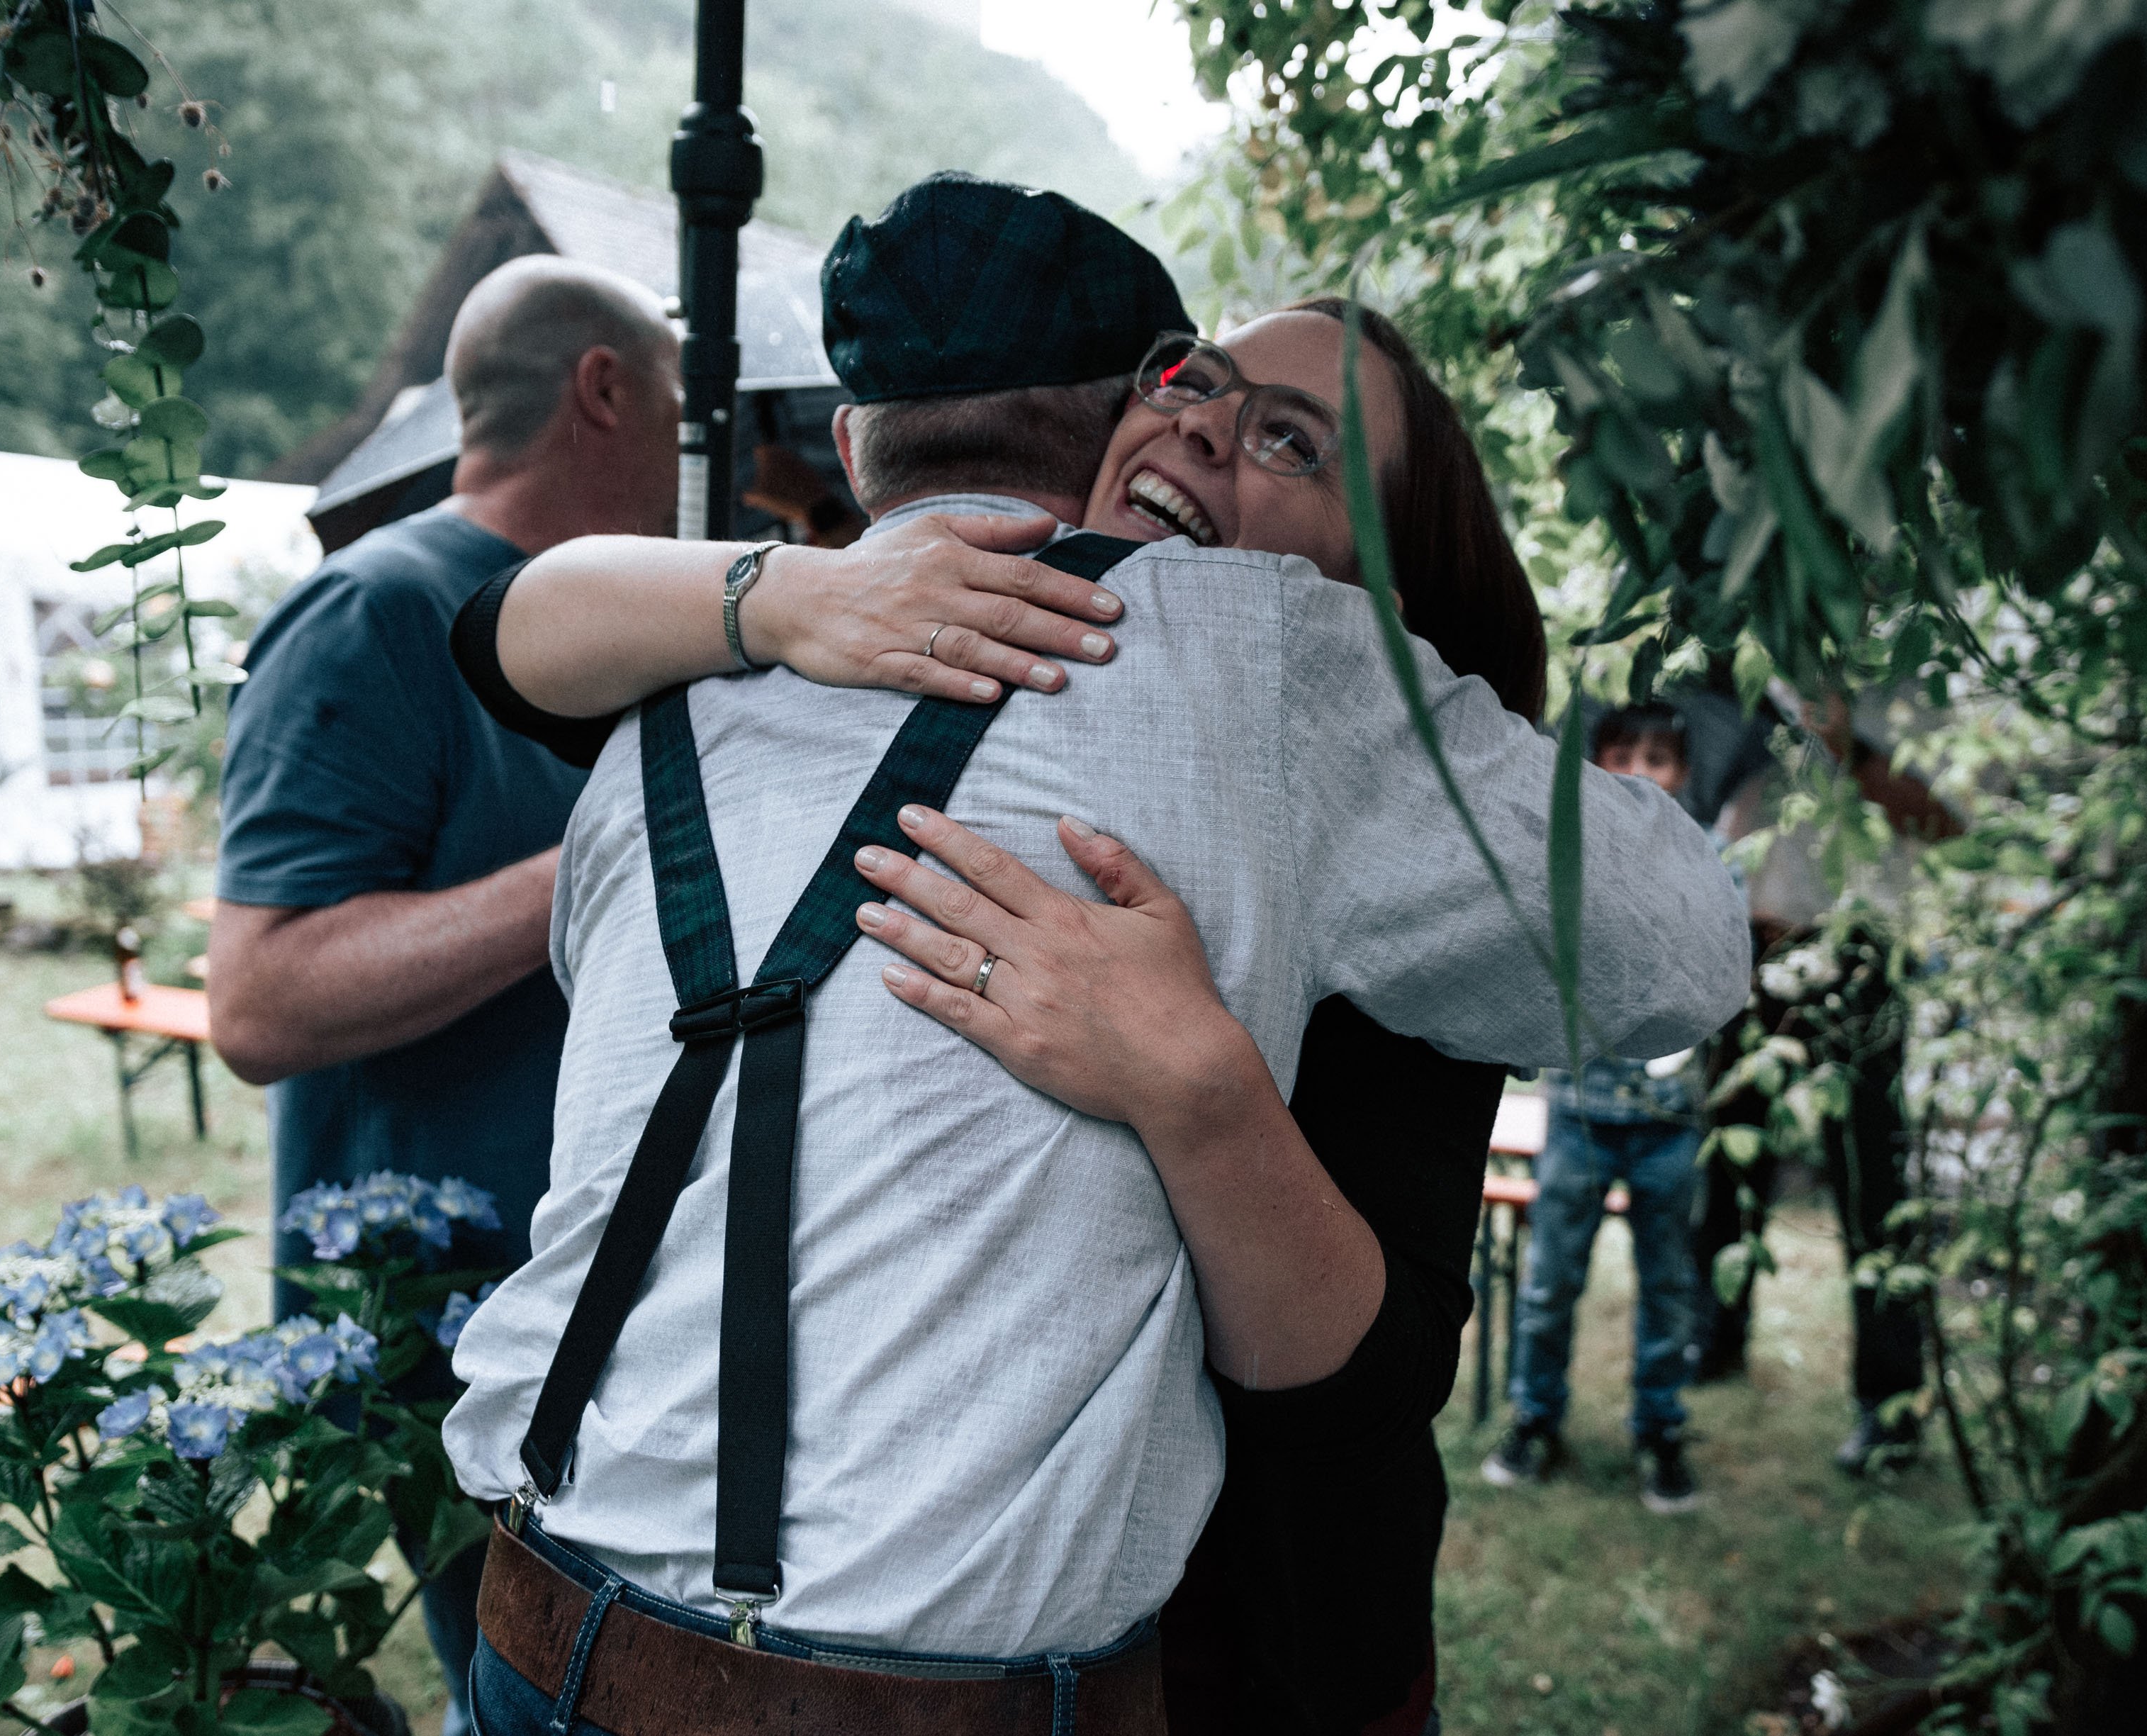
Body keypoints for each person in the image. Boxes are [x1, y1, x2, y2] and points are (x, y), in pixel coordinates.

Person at [439, 174, 1746, 1730]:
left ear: (855, 447)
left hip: (541, 1625)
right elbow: (1690, 944)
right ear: (1128, 405)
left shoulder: (685, 701)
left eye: (1286, 441)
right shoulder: (1231, 667)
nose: (1205, 438)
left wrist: (1196, 1082)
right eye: (1198, 394)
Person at [204, 254, 683, 1736]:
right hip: (443, 1347)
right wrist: (600, 860)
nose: (691, 438)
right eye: (677, 399)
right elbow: (261, 1000)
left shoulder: (619, 631)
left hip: (610, 1323)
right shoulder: (377, 613)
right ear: (604, 389)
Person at [1691, 688, 1957, 1474]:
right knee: (1729, 1158)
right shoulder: (1747, 665)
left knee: (1869, 1180)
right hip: (1750, 946)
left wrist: (1847, 742)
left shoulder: (1909, 681)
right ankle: (1711, 1339)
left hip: (1856, 956)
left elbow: (1947, 821)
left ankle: (1890, 1402)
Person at [1481, 701, 1715, 1514]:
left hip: (1669, 1121)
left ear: (1680, 775)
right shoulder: (1569, 858)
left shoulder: (1706, 860)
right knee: (1547, 1284)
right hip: (1580, 1114)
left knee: (1668, 1287)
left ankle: (1659, 1431)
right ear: (1599, 766)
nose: (1642, 772)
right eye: (1625, 755)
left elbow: (1719, 970)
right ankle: (1534, 1421)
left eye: (1660, 758)